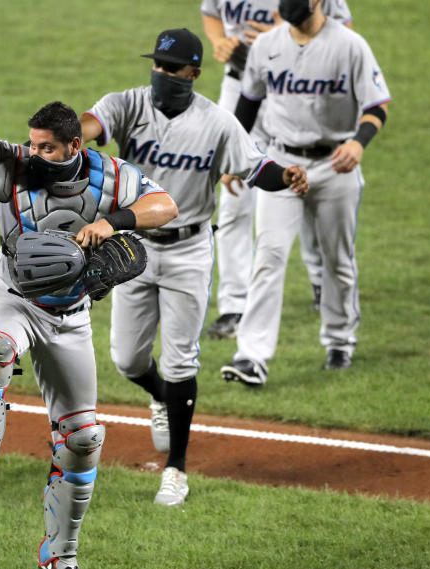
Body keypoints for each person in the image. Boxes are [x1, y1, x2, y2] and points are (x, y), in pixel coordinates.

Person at [0, 101, 178, 569]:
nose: (36, 153)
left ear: (75, 145)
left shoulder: (111, 176)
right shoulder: (10, 164)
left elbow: (166, 206)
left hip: (71, 316)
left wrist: (114, 221)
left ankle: (61, 553)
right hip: (13, 299)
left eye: (47, 147)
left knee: (84, 438)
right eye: (33, 143)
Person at [80, 29, 308, 505]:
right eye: (158, 65)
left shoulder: (217, 122)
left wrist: (284, 176)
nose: (162, 74)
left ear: (193, 74)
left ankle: (176, 470)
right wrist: (74, 135)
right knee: (126, 358)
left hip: (188, 251)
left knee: (182, 358)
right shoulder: (128, 104)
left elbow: (254, 167)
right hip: (134, 247)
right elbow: (93, 123)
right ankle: (162, 396)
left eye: (172, 68)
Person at [220, 0, 390, 386]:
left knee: (337, 260)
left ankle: (339, 340)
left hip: (335, 165)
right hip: (282, 164)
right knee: (270, 254)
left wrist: (359, 143)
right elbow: (248, 104)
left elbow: (377, 105)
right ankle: (251, 356)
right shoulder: (266, 46)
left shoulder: (349, 45)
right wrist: (236, 158)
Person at [200, 0, 354, 339]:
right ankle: (234, 306)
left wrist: (289, 36)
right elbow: (211, 13)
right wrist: (218, 42)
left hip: (298, 87)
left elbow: (345, 32)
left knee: (308, 183)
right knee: (233, 197)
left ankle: (320, 281)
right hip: (239, 86)